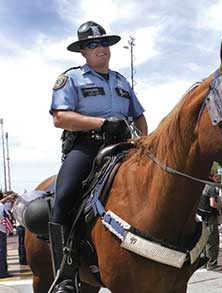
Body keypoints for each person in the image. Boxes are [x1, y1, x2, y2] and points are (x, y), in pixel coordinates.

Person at [48, 21, 148, 292]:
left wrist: (142, 141)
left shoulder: (121, 80)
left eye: (103, 43)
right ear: (83, 52)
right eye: (92, 44)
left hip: (125, 146)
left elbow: (138, 115)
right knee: (64, 196)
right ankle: (65, 275)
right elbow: (60, 117)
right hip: (87, 147)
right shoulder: (71, 79)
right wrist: (101, 124)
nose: (100, 48)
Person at [197, 172, 222, 270]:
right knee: (212, 240)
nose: (217, 178)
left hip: (201, 216)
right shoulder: (211, 187)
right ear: (211, 177)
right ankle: (212, 264)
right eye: (215, 176)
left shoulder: (200, 186)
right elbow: (212, 204)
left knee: (203, 240)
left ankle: (204, 262)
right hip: (210, 216)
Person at [0, 192, 15, 278]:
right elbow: (7, 217)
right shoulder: (1, 207)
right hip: (1, 230)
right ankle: (2, 272)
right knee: (2, 252)